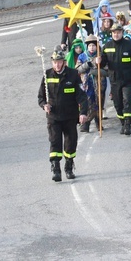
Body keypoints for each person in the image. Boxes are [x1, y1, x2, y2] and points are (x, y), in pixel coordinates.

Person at [38, 48, 88, 181]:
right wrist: (44, 105)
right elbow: (40, 97)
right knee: (55, 142)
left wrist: (83, 113)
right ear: (52, 62)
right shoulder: (47, 75)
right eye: (55, 62)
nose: (57, 65)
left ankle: (69, 166)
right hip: (54, 117)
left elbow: (82, 96)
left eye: (59, 62)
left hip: (70, 116)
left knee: (70, 143)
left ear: (64, 62)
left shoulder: (73, 75)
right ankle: (55, 169)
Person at [97, 22, 131, 135]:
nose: (116, 35)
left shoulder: (130, 45)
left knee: (127, 101)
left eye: (118, 32)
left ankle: (128, 124)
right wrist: (99, 61)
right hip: (114, 80)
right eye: (114, 33)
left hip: (128, 79)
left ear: (122, 32)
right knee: (118, 104)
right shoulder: (107, 46)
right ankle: (122, 123)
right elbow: (103, 64)